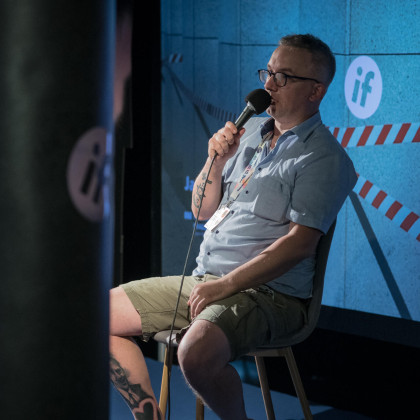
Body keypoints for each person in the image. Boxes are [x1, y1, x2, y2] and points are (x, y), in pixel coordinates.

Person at [110, 33, 357, 420]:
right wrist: (216, 161)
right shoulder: (251, 132)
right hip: (206, 280)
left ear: (316, 91)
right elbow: (202, 210)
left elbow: (299, 245)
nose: (268, 85)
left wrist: (225, 286)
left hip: (269, 295)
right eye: (268, 72)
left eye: (283, 77)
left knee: (195, 353)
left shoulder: (323, 157)